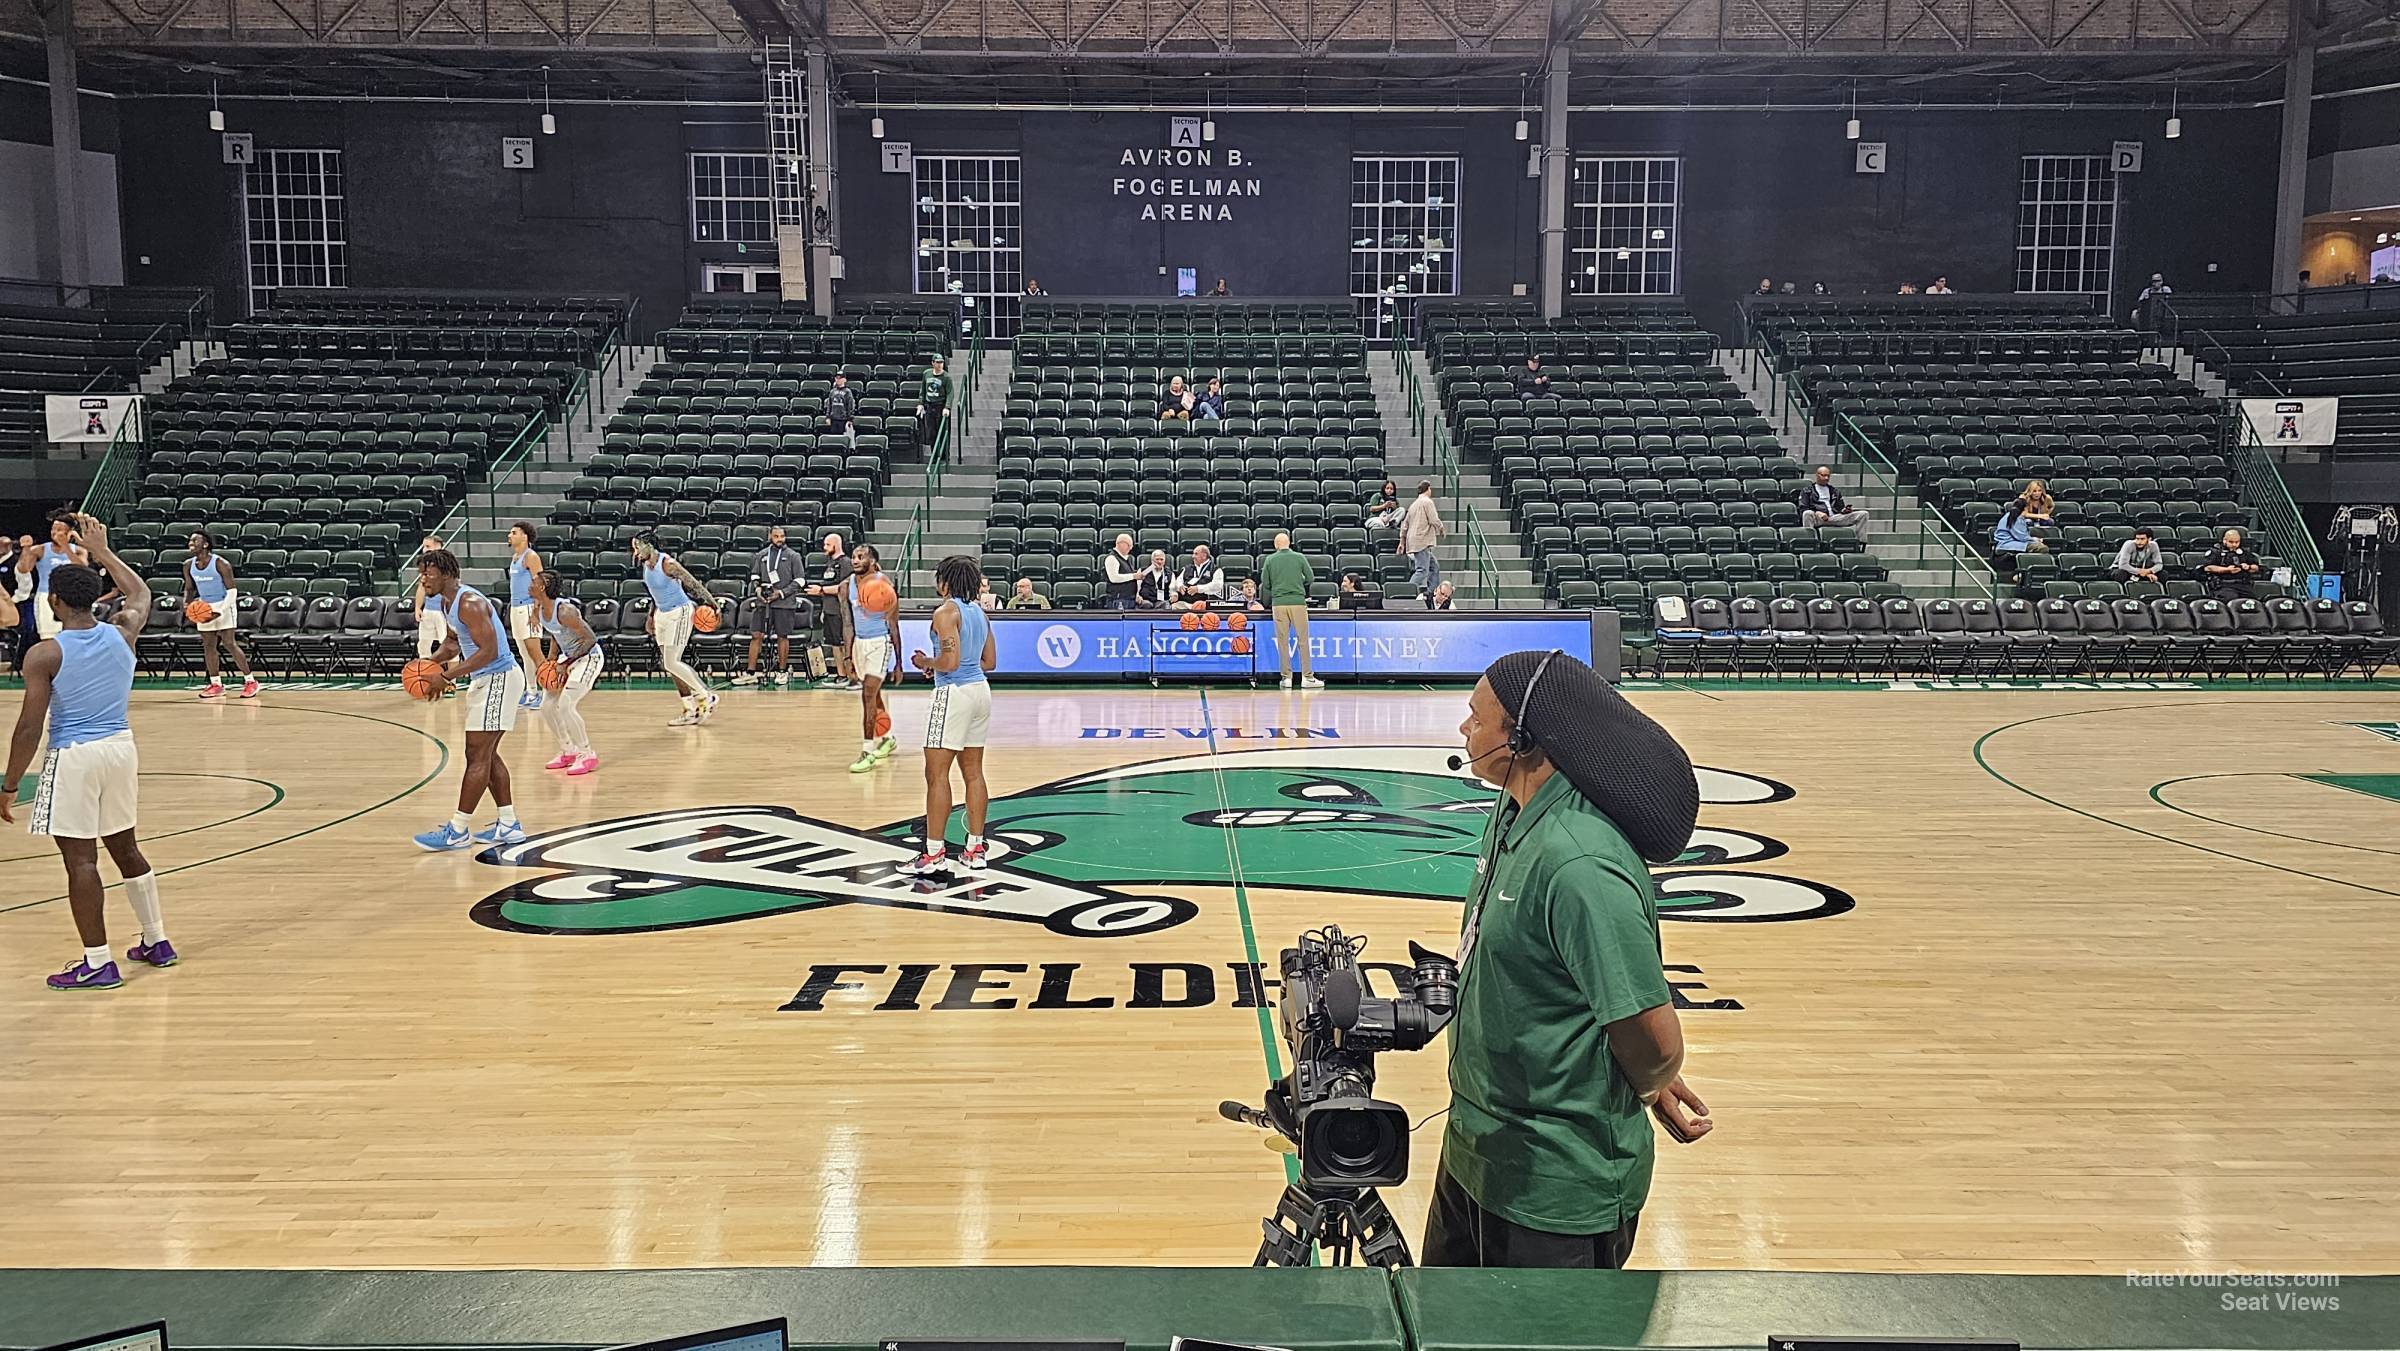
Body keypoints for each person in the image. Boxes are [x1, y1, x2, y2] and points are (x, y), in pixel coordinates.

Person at [1427, 649, 1710, 1267]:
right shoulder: (1515, 811)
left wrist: (1648, 1080)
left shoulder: (1581, 865)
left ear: (1524, 740)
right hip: (1476, 1159)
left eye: (1476, 719)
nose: (1463, 730)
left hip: (1555, 1193)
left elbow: (1655, 1041)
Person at [1, 514, 172, 991]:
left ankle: (98, 962)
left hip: (75, 755)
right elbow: (141, 595)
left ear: (54, 601)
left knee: (81, 861)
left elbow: (29, 727)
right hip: (121, 749)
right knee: (126, 847)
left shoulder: (45, 654)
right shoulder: (122, 630)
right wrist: (103, 551)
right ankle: (156, 940)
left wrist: (10, 784)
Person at [410, 547, 527, 851]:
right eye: (421, 573)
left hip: (498, 678)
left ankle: (457, 830)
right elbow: (452, 642)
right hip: (486, 680)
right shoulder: (448, 601)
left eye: (428, 573)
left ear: (446, 573)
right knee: (486, 755)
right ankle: (508, 824)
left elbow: (488, 651)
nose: (423, 579)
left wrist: (447, 676)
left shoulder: (471, 602)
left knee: (477, 755)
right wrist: (429, 665)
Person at [901, 555, 998, 877]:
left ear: (945, 582)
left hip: (953, 693)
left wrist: (925, 662)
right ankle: (975, 848)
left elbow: (951, 662)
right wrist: (942, 663)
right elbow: (989, 662)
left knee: (936, 775)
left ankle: (933, 853)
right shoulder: (980, 613)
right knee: (973, 772)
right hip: (980, 692)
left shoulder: (946, 612)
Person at [631, 534, 720, 728]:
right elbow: (655, 593)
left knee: (672, 661)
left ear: (650, 546)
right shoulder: (646, 566)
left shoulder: (668, 564)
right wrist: (651, 616)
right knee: (669, 665)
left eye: (638, 547)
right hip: (662, 614)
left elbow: (694, 584)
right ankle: (689, 709)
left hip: (680, 612)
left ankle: (706, 695)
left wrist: (713, 605)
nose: (635, 552)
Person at [531, 570, 602, 777]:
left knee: (566, 706)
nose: (530, 584)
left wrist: (566, 662)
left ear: (543, 587)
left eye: (534, 581)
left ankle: (587, 754)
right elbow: (555, 634)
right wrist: (553, 660)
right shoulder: (540, 609)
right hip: (567, 658)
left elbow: (590, 640)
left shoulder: (566, 611)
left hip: (589, 658)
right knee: (547, 706)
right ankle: (568, 751)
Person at [846, 542, 903, 774]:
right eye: (854, 556)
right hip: (860, 643)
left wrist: (899, 662)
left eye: (861, 557)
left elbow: (893, 623)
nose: (856, 560)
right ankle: (888, 738)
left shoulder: (884, 584)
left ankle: (867, 751)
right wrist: (849, 655)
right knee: (874, 693)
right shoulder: (847, 585)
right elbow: (847, 622)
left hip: (880, 642)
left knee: (867, 695)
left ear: (872, 561)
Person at [183, 531, 258, 700]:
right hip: (204, 605)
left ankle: (250, 681)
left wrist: (220, 610)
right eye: (190, 540)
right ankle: (216, 684)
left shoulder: (221, 563)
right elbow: (189, 588)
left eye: (195, 540)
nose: (190, 543)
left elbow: (232, 591)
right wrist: (186, 604)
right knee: (208, 646)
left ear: (205, 544)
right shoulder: (188, 565)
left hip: (224, 604)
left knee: (229, 643)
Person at [735, 525, 805, 688]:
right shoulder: (761, 555)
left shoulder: (793, 556)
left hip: (784, 603)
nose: (779, 539)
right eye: (776, 536)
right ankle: (751, 673)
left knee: (782, 636)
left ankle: (781, 671)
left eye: (782, 536)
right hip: (763, 602)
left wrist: (781, 593)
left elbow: (800, 580)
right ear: (770, 537)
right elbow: (754, 576)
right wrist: (758, 589)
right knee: (756, 635)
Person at [1258, 532, 1321, 690]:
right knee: (1303, 640)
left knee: (1282, 641)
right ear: (1290, 543)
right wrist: (1298, 581)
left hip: (1279, 603)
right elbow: (1311, 578)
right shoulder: (1299, 557)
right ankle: (1307, 677)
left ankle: (1286, 678)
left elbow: (1265, 583)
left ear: (1275, 545)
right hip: (1298, 603)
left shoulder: (1270, 560)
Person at [17, 512, 92, 644]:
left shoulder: (79, 551)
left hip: (72, 597)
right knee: (49, 638)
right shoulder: (40, 549)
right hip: (46, 596)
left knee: (73, 635)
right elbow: (24, 569)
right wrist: (26, 549)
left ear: (69, 533)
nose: (54, 533)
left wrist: (65, 547)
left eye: (59, 530)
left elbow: (82, 568)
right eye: (53, 529)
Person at [805, 531, 856, 689]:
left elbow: (844, 588)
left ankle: (851, 676)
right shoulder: (829, 563)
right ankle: (840, 675)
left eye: (828, 544)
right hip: (829, 609)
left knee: (844, 644)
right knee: (834, 644)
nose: (824, 547)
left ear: (836, 545)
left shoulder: (846, 563)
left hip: (841, 611)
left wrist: (821, 590)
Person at [504, 522, 545, 711]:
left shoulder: (531, 557)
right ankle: (531, 691)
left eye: (514, 533)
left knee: (535, 653)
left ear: (525, 536)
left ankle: (547, 691)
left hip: (529, 608)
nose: (509, 535)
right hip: (516, 608)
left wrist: (536, 612)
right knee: (524, 654)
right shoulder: (515, 557)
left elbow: (540, 585)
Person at [1402, 480, 1446, 599]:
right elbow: (1433, 519)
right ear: (1428, 489)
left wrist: (1402, 541)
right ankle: (1407, 592)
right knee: (1422, 570)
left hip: (1415, 540)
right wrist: (1441, 528)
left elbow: (1404, 525)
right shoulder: (1427, 502)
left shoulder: (1413, 504)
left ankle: (1431, 593)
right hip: (1421, 540)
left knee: (1434, 566)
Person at [1797, 465, 1869, 534]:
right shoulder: (1807, 491)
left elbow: (1840, 508)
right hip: (1818, 519)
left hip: (1835, 517)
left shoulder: (1834, 491)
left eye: (1828, 476)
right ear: (1817, 475)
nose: (1826, 478)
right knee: (1807, 513)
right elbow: (1803, 508)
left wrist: (1845, 510)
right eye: (1823, 475)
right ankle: (1810, 539)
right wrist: (1817, 513)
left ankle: (1860, 542)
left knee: (1863, 514)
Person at [412, 533, 448, 660]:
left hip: (443, 611)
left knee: (447, 645)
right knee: (423, 645)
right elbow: (421, 587)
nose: (424, 549)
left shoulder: (447, 564)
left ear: (438, 547)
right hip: (428, 609)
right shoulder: (425, 565)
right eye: (423, 546)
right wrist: (418, 608)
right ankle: (424, 677)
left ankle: (452, 678)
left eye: (428, 546)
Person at [2203, 528, 2264, 599]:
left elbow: (2256, 567)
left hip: (2242, 584)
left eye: (2237, 542)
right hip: (2223, 584)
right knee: (2231, 597)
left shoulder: (2244, 552)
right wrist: (2227, 570)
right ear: (2224, 540)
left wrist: (2248, 567)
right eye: (2231, 542)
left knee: (2252, 601)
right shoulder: (2216, 552)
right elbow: (2208, 568)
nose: (2234, 544)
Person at [916, 355, 951, 452]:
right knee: (932, 433)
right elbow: (922, 390)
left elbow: (950, 393)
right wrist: (920, 403)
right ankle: (934, 454)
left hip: (941, 406)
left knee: (942, 432)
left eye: (941, 362)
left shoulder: (947, 377)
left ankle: (944, 455)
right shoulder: (927, 374)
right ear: (933, 363)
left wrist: (947, 407)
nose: (940, 365)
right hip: (930, 406)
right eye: (938, 362)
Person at [1175, 544, 1225, 609]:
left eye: (1196, 554)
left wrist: (1198, 589)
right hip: (1185, 603)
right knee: (1174, 607)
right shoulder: (1186, 568)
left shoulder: (1216, 570)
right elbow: (1178, 581)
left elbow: (1217, 586)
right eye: (1193, 554)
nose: (1193, 556)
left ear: (1204, 556)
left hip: (1205, 603)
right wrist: (1180, 586)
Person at [1102, 534, 1141, 610]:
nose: (1131, 548)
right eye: (1129, 545)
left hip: (1129, 599)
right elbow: (1114, 578)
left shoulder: (1126, 559)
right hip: (1118, 600)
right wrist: (1134, 576)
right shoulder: (1112, 558)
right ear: (1120, 544)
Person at [1991, 503, 2032, 577]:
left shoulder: (2015, 516)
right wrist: (2035, 540)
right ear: (2025, 509)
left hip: (2014, 542)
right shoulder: (2014, 518)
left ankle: (2023, 574)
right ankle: (2022, 574)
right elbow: (2022, 537)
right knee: (2040, 548)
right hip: (2007, 544)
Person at [824, 372, 858, 446]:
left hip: (843, 420)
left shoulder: (848, 392)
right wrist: (828, 417)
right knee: (834, 440)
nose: (838, 380)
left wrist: (850, 419)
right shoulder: (832, 391)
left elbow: (850, 406)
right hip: (833, 419)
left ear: (844, 380)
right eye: (837, 378)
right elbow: (829, 405)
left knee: (842, 440)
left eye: (840, 378)